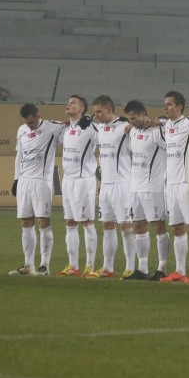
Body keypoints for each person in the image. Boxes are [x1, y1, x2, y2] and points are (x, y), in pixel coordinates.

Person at [158, 90, 189, 283]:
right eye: (165, 104)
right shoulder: (166, 125)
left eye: (169, 104)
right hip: (171, 184)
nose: (165, 107)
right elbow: (153, 122)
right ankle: (179, 270)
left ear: (179, 106)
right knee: (177, 228)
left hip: (187, 182)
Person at [9, 103, 61, 276]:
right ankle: (28, 265)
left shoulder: (52, 127)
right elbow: (19, 155)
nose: (29, 125)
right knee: (25, 222)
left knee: (44, 222)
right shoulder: (21, 130)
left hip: (41, 181)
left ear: (38, 115)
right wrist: (16, 179)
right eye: (27, 122)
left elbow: (71, 128)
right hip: (24, 181)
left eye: (32, 122)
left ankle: (45, 265)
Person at [122, 99, 169, 281]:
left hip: (153, 187)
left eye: (133, 118)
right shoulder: (132, 132)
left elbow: (174, 142)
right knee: (138, 226)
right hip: (135, 188)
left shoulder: (158, 131)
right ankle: (142, 269)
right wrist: (129, 126)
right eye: (129, 119)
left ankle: (162, 267)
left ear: (143, 114)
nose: (131, 122)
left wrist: (163, 122)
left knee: (158, 226)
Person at [87, 94, 133, 279]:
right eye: (95, 112)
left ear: (109, 109)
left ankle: (130, 267)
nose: (96, 115)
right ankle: (107, 267)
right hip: (105, 185)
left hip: (122, 184)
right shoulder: (98, 129)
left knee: (126, 226)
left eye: (99, 111)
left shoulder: (124, 127)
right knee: (107, 225)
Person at [56, 95, 99, 277]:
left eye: (72, 103)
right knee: (70, 223)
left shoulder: (90, 128)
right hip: (68, 180)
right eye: (68, 101)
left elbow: (106, 134)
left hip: (83, 180)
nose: (68, 104)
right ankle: (73, 266)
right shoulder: (66, 128)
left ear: (81, 109)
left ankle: (90, 266)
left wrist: (88, 119)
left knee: (87, 223)